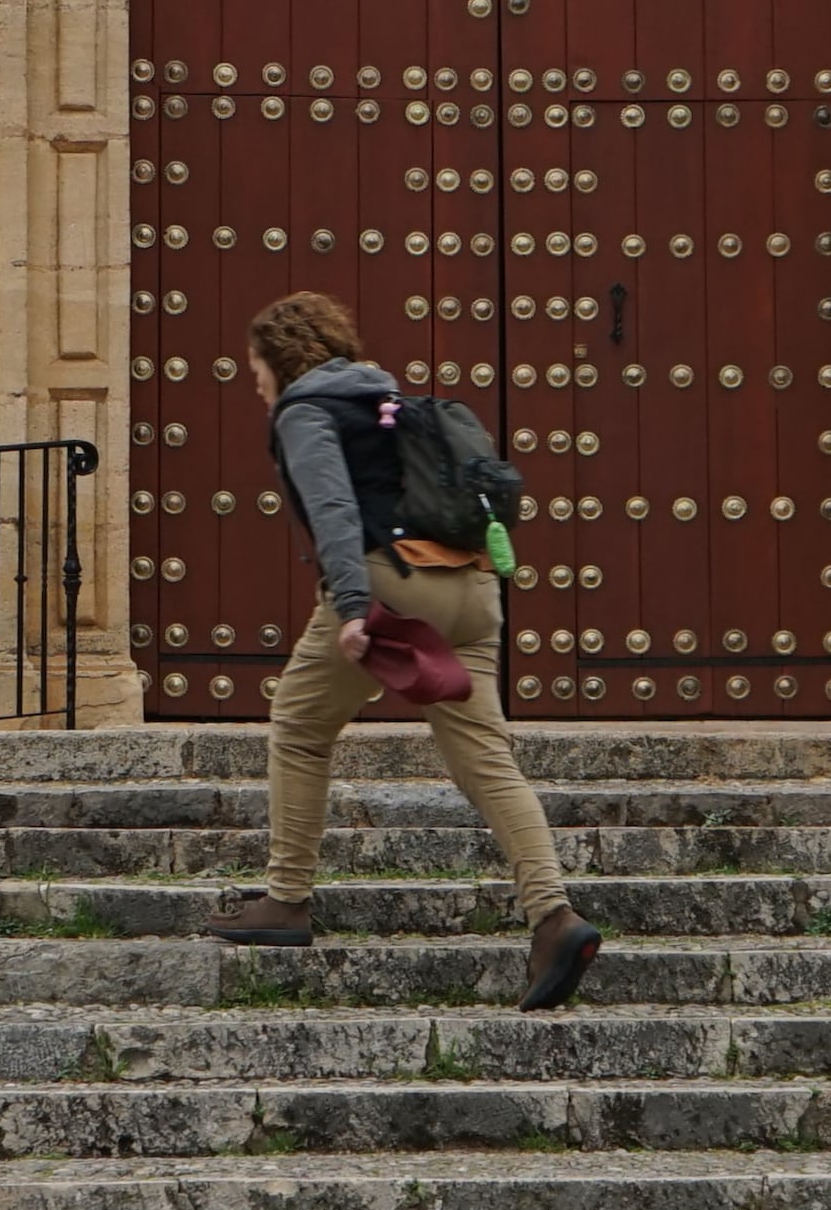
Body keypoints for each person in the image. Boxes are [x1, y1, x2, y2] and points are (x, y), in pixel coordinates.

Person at [206, 289, 603, 1010]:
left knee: (298, 726)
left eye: (255, 365)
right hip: (473, 590)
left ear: (281, 358)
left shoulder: (305, 408)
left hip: (393, 587)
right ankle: (552, 914)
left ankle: (286, 900)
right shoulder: (387, 397)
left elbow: (333, 508)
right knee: (486, 757)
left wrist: (355, 607)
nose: (254, 380)